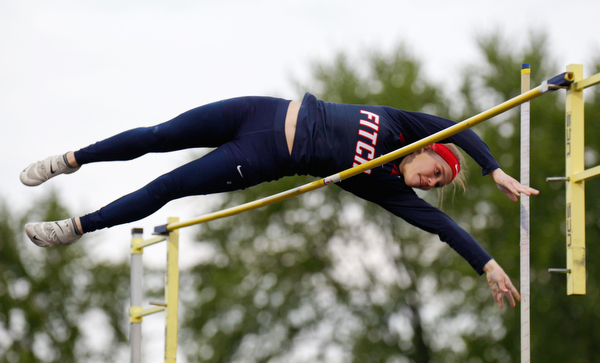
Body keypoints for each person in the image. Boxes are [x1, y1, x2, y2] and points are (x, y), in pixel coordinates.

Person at [21, 93, 538, 308]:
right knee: (159, 134)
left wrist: (487, 265)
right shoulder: (406, 127)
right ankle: (71, 159)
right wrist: (493, 169)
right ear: (427, 151)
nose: (430, 183)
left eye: (436, 185)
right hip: (259, 110)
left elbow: (443, 229)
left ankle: (77, 227)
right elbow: (459, 127)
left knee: (167, 187)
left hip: (264, 155)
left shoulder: (381, 185)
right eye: (435, 172)